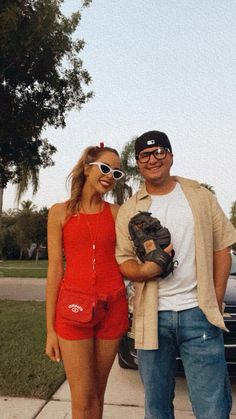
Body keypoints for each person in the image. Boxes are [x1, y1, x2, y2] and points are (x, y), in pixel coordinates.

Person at [115, 130, 236, 419]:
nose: (153, 159)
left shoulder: (199, 196)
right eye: (145, 154)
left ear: (170, 156)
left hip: (198, 313)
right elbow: (123, 262)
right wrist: (147, 269)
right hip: (151, 316)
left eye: (159, 152)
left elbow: (223, 248)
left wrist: (215, 299)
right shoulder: (130, 209)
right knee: (156, 407)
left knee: (212, 407)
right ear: (138, 162)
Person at [45, 144, 128, 419]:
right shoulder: (60, 213)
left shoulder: (117, 213)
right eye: (105, 168)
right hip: (72, 312)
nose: (109, 176)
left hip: (112, 309)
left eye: (116, 172)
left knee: (97, 396)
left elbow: (128, 260)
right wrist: (50, 330)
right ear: (86, 168)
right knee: (81, 400)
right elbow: (55, 270)